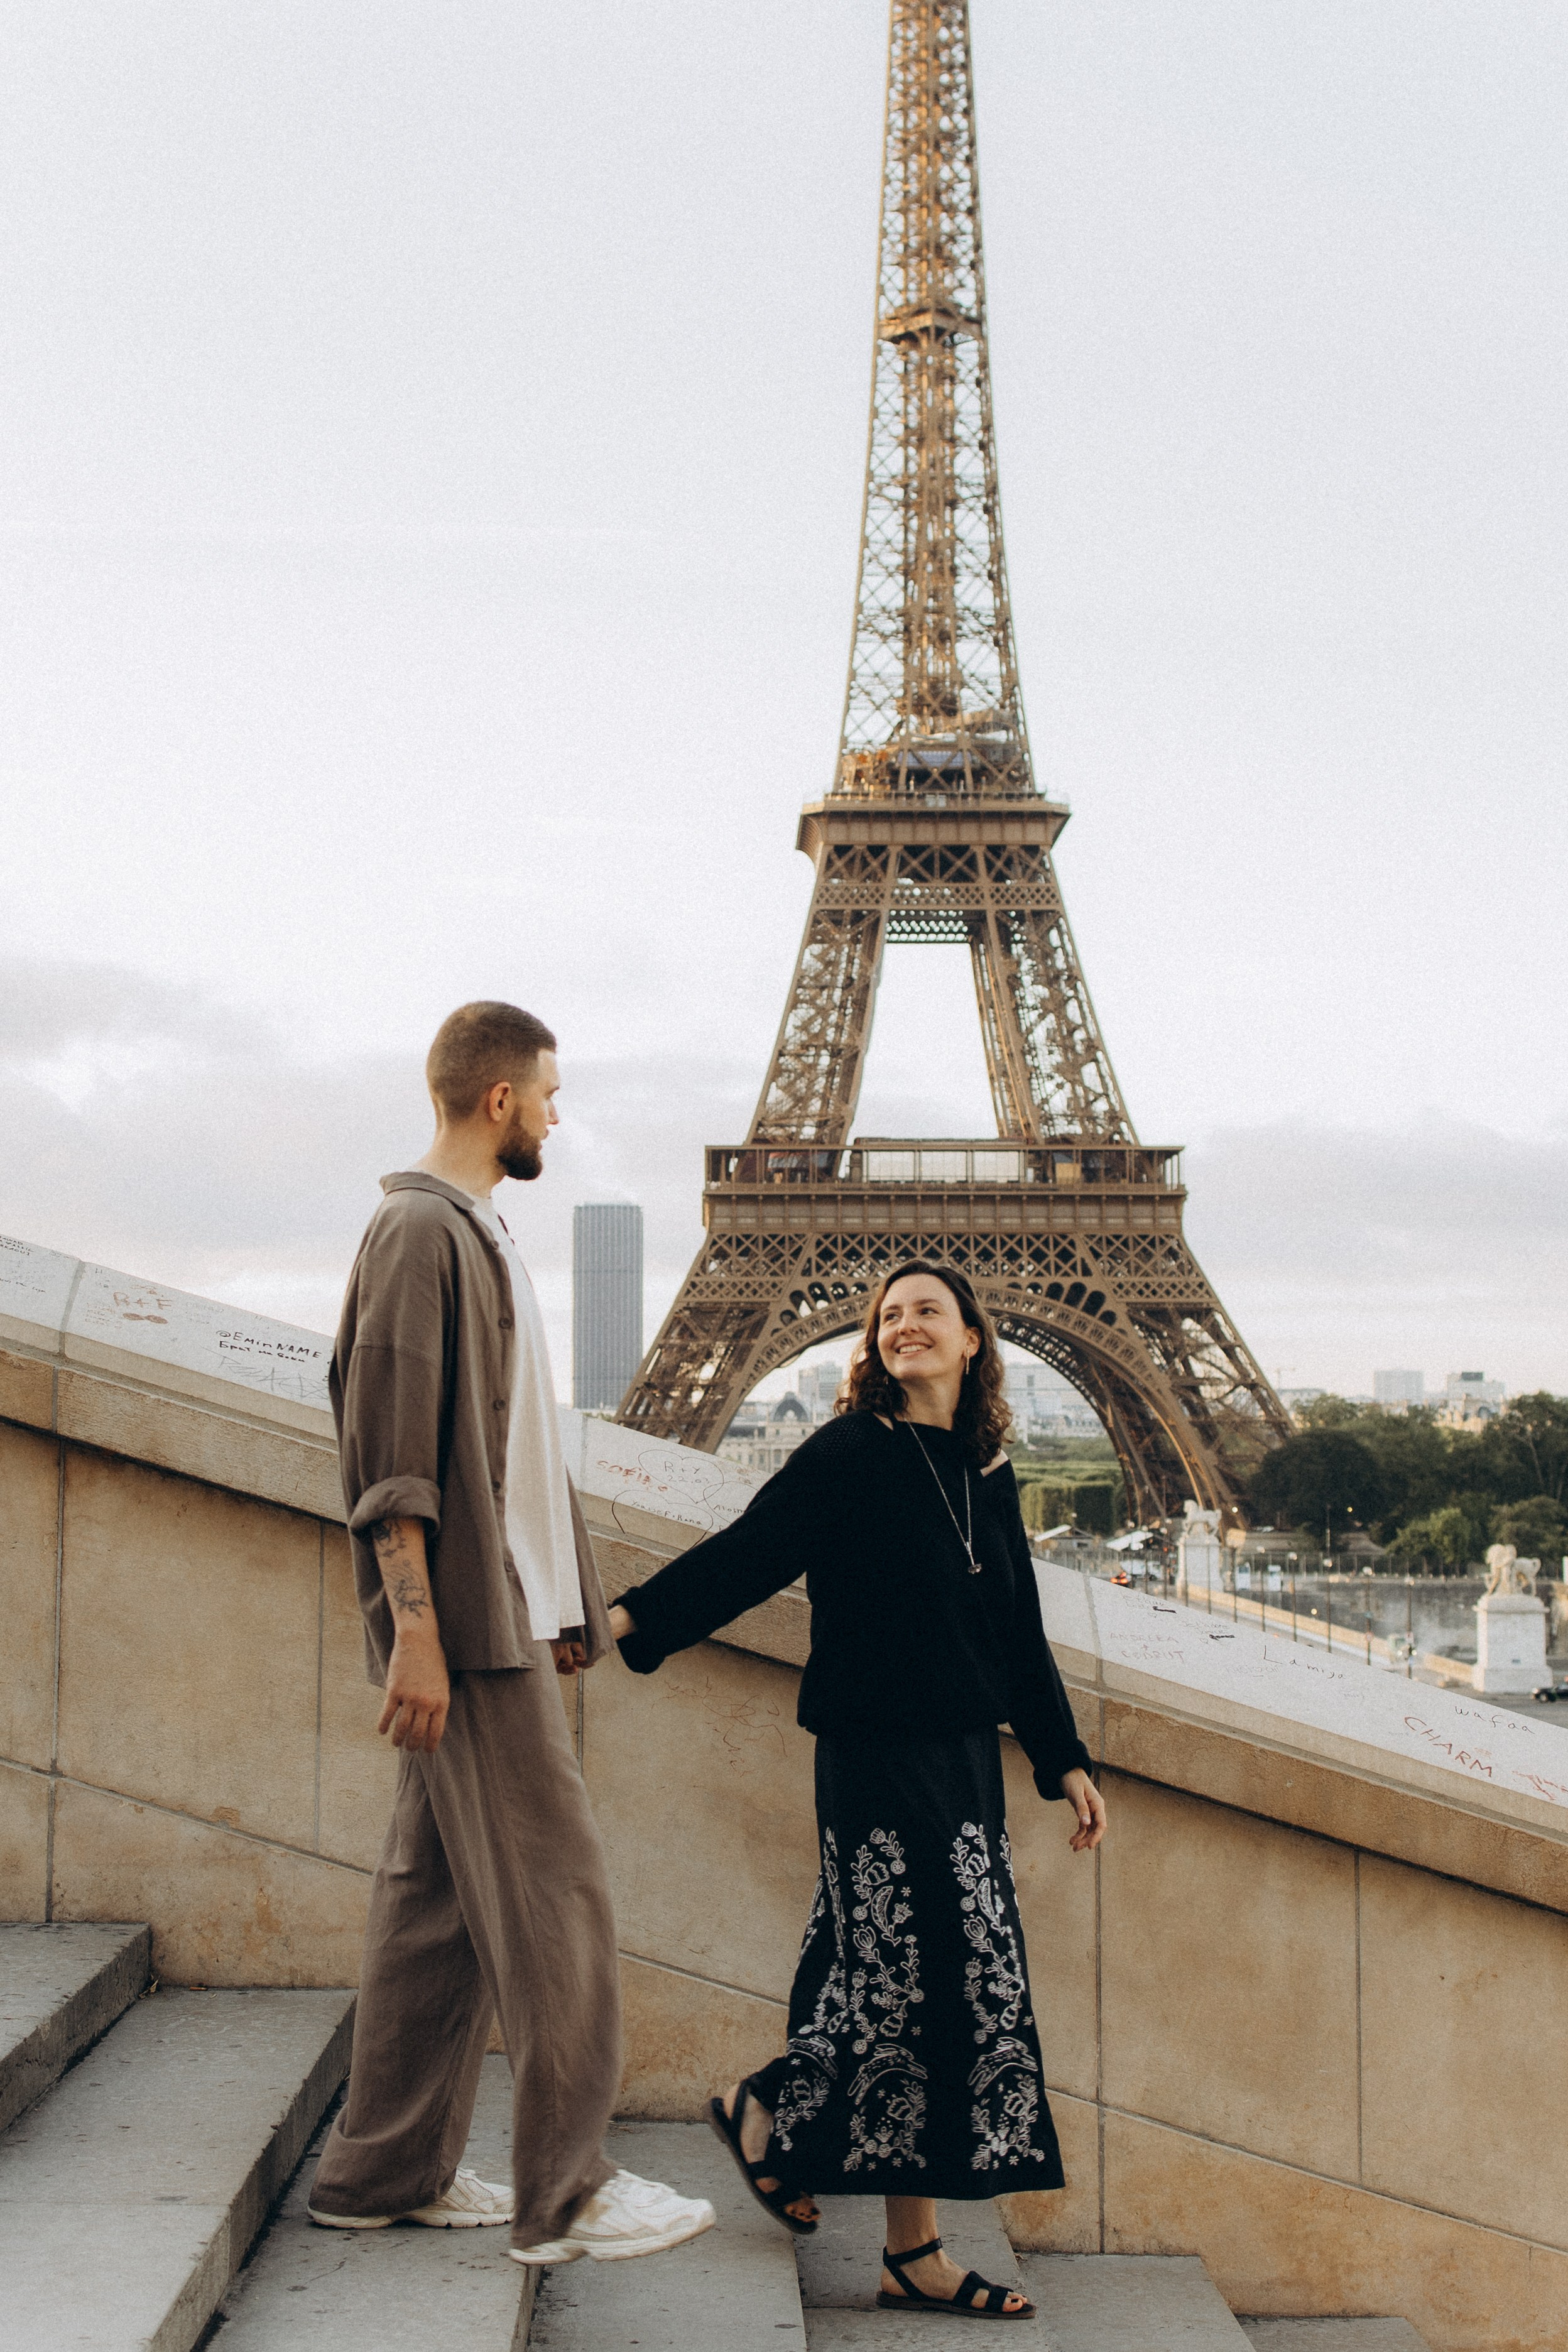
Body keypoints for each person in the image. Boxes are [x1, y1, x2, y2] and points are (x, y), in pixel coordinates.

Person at [609, 1261, 1106, 2322]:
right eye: (888, 1315)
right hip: (877, 1754)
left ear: (974, 1339)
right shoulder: (848, 1452)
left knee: (918, 1982)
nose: (904, 1325)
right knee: (903, 1976)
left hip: (965, 1759)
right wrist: (627, 1623)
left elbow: (1015, 1630)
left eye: (928, 1310)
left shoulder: (990, 1471)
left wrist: (1062, 1759)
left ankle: (869, 2209)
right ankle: (823, 2158)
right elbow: (752, 1553)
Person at [307, 1000, 714, 2268]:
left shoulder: (474, 1230)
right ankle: (568, 2194)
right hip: (470, 1638)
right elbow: (391, 1461)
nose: (555, 1112)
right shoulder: (422, 1230)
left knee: (432, 1911)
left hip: (507, 1619)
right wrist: (419, 1636)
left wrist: (574, 1601)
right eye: (548, 1092)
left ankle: (381, 2171)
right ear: (499, 1100)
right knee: (559, 1899)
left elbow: (514, 1451)